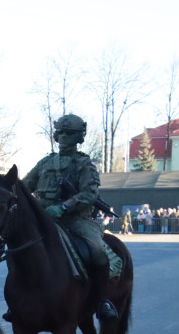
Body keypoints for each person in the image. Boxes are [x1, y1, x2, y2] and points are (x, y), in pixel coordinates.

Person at [22, 113, 117, 321]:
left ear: (79, 137)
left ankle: (102, 300)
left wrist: (64, 207)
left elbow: (89, 194)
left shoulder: (84, 164)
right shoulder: (45, 163)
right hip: (44, 220)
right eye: (61, 132)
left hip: (77, 220)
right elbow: (24, 186)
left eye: (70, 133)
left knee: (97, 250)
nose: (64, 136)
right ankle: (19, 300)